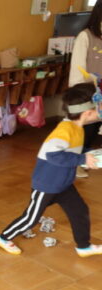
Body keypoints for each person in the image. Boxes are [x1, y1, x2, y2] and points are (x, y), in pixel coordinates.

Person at [0, 83, 102, 257]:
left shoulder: (77, 128)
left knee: (80, 211)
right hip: (47, 184)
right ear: (88, 113)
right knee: (31, 218)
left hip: (64, 184)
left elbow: (72, 150)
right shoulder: (64, 130)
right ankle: (3, 237)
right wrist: (83, 159)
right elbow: (54, 155)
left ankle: (84, 247)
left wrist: (90, 154)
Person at [69, 0, 102, 177]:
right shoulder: (85, 36)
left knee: (94, 129)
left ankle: (85, 160)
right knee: (87, 130)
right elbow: (78, 68)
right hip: (88, 93)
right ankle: (76, 164)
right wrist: (79, 95)